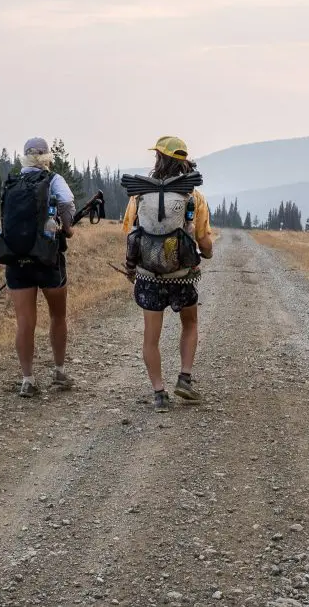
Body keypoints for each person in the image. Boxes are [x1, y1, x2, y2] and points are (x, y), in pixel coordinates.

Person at [121, 136, 214, 412]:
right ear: (184, 162)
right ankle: (184, 378)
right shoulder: (193, 196)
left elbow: (130, 234)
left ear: (158, 160)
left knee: (151, 337)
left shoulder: (139, 195)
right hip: (183, 274)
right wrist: (206, 254)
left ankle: (159, 393)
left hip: (149, 275)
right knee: (190, 324)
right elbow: (204, 240)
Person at [9, 137, 77, 398]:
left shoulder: (14, 181)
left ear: (24, 157)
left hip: (17, 261)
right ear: (47, 157)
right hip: (49, 260)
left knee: (24, 322)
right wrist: (67, 229)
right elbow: (68, 213)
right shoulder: (55, 180)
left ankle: (27, 379)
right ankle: (59, 372)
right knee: (58, 316)